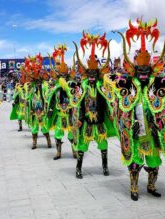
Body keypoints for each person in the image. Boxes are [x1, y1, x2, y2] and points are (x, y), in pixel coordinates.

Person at [100, 18, 165, 201]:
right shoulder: (128, 84)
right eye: (140, 69)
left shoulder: (158, 84)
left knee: (154, 163)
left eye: (147, 70)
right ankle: (134, 188)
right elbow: (109, 79)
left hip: (153, 134)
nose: (144, 73)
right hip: (136, 132)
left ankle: (151, 185)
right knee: (135, 163)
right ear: (134, 68)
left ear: (153, 69)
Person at [72, 32, 116, 178]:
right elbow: (77, 104)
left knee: (103, 145)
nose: (91, 76)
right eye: (89, 73)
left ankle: (105, 167)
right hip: (86, 121)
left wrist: (111, 112)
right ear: (86, 74)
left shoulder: (101, 86)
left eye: (94, 73)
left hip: (100, 121)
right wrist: (78, 118)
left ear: (97, 73)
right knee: (82, 146)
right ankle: (78, 169)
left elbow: (109, 101)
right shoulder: (83, 86)